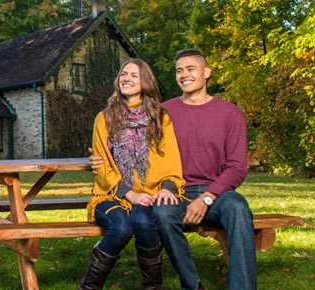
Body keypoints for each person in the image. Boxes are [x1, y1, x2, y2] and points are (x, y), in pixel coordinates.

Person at [90, 49, 255, 290]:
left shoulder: (230, 113)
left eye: (191, 69)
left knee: (239, 208)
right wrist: (98, 157)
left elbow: (237, 168)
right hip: (174, 192)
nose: (184, 74)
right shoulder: (161, 112)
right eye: (179, 70)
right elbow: (124, 136)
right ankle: (192, 285)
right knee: (163, 214)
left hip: (216, 193)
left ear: (206, 72)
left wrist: (207, 198)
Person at [80, 58, 185, 290]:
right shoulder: (104, 119)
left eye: (134, 75)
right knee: (122, 228)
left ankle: (153, 287)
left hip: (148, 194)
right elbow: (102, 167)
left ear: (145, 82)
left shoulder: (161, 118)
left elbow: (171, 160)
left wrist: (167, 187)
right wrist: (130, 194)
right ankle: (89, 287)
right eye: (123, 74)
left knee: (144, 222)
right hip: (110, 194)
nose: (126, 78)